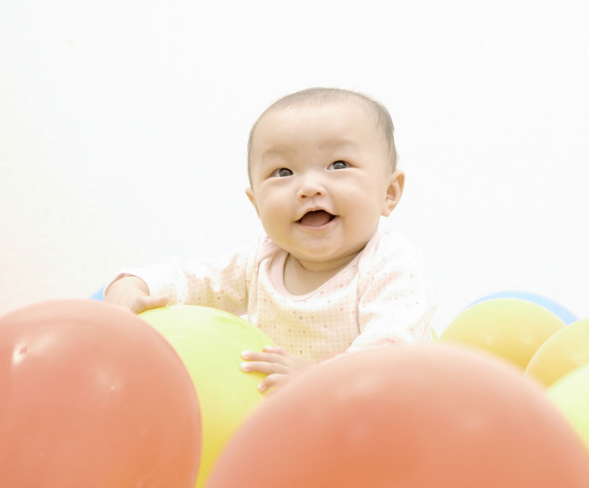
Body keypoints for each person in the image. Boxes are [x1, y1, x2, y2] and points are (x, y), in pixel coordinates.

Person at [104, 87, 436, 391]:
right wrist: (135, 285)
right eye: (283, 173)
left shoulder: (390, 262)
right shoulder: (261, 260)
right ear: (256, 203)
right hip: (287, 426)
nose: (309, 187)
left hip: (378, 416)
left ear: (389, 193)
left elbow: (391, 351)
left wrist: (317, 378)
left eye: (338, 165)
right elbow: (197, 281)